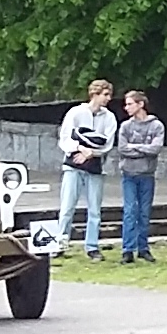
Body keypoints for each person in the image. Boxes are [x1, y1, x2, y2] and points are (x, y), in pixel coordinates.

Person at [54, 80, 116, 258]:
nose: (108, 98)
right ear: (94, 94)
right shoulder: (76, 112)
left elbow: (107, 143)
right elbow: (65, 138)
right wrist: (80, 148)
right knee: (67, 207)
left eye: (109, 95)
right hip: (73, 165)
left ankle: (92, 246)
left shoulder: (109, 117)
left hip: (95, 167)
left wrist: (91, 154)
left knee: (94, 210)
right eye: (105, 95)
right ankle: (60, 244)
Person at [113, 89, 165, 262]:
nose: (126, 107)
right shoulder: (125, 126)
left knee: (144, 212)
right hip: (129, 174)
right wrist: (143, 149)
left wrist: (134, 147)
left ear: (140, 104)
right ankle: (127, 250)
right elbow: (122, 149)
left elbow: (155, 149)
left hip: (147, 174)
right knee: (130, 211)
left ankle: (143, 248)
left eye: (130, 104)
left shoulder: (156, 126)